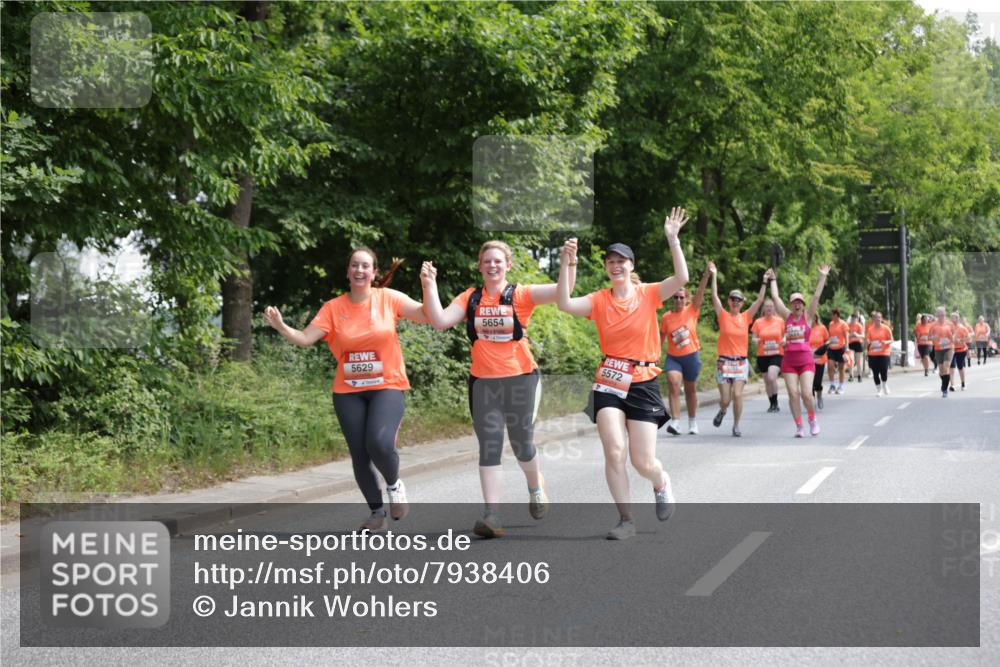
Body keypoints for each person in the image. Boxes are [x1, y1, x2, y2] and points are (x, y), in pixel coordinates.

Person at [264, 248, 426, 531]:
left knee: (379, 442)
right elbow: (304, 338)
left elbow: (427, 314)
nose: (360, 270)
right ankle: (377, 513)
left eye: (365, 266)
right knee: (360, 453)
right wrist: (281, 326)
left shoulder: (389, 299)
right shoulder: (333, 308)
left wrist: (428, 284)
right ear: (348, 271)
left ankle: (394, 484)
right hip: (348, 391)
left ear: (374, 273)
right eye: (355, 265)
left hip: (387, 385)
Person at [557, 207, 689, 540]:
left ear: (631, 266)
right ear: (607, 267)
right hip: (609, 381)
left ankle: (660, 482)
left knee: (643, 461)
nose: (616, 266)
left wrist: (673, 240)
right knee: (614, 451)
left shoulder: (649, 294)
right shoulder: (599, 299)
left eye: (622, 261)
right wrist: (565, 264)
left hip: (643, 382)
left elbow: (682, 279)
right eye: (611, 261)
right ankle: (626, 519)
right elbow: (564, 304)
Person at [419, 241, 557, 539]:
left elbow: (561, 292)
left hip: (521, 378)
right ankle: (492, 514)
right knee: (490, 446)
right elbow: (440, 321)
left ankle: (535, 486)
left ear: (508, 265)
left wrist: (568, 264)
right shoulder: (470, 297)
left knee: (522, 444)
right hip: (483, 382)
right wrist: (429, 285)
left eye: (498, 261)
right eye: (487, 262)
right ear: (480, 266)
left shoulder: (520, 294)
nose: (492, 266)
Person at [708, 263, 770, 437]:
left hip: (740, 362)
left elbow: (759, 301)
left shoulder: (746, 317)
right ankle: (722, 410)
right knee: (725, 399)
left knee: (737, 395)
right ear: (729, 301)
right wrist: (714, 274)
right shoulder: (723, 315)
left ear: (742, 303)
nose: (735, 302)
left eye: (739, 300)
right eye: (733, 299)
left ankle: (736, 425)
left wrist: (764, 281)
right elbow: (713, 295)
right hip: (724, 362)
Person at [769, 265, 831, 437]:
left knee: (806, 394)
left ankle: (812, 419)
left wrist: (823, 277)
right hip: (789, 362)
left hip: (805, 361)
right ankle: (799, 426)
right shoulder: (786, 315)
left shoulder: (808, 317)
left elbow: (817, 296)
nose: (797, 305)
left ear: (803, 305)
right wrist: (772, 280)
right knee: (792, 394)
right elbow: (775, 298)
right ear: (791, 305)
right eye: (794, 302)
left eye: (799, 302)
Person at [660, 266, 710, 435]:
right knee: (673, 384)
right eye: (676, 297)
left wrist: (706, 275)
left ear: (686, 299)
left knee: (690, 389)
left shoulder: (691, 311)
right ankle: (675, 422)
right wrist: (655, 355)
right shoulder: (666, 317)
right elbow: (661, 337)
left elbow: (700, 293)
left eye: (682, 297)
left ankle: (692, 421)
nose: (679, 300)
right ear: (672, 299)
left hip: (691, 356)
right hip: (674, 358)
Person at [751, 299, 786, 413]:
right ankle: (771, 404)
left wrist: (785, 339)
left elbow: (786, 333)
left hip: (776, 353)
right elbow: (753, 337)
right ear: (764, 309)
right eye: (767, 306)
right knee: (767, 381)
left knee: (772, 377)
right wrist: (756, 340)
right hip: (762, 354)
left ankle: (776, 403)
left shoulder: (780, 321)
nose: (769, 308)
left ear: (774, 308)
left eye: (771, 306)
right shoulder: (758, 322)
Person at [929, 307, 956, 398]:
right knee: (941, 370)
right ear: (937, 315)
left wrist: (952, 337)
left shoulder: (950, 324)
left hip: (949, 347)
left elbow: (954, 334)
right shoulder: (933, 325)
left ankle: (944, 389)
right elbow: (929, 337)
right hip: (938, 348)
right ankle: (944, 382)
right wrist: (933, 338)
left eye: (943, 314)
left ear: (945, 314)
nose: (941, 316)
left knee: (946, 366)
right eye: (940, 314)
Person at [865, 311, 893, 396]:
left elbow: (891, 339)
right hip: (873, 353)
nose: (877, 319)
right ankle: (879, 389)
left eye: (879, 317)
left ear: (881, 318)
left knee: (884, 370)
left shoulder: (886, 328)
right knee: (875, 372)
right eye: (876, 317)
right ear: (873, 319)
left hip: (884, 352)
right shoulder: (870, 329)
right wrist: (868, 342)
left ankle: (884, 384)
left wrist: (885, 342)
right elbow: (867, 340)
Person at [826, 308, 849, 394]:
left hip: (841, 348)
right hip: (831, 348)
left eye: (831, 315)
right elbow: (830, 335)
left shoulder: (843, 324)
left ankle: (841, 386)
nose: (830, 316)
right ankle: (832, 385)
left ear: (836, 315)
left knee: (841, 368)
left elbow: (846, 337)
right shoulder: (831, 324)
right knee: (830, 365)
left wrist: (847, 349)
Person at [810, 313, 830, 409]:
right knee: (809, 383)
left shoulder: (822, 328)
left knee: (817, 382)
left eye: (812, 316)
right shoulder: (804, 328)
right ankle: (812, 401)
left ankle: (819, 396)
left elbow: (827, 340)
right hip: (807, 360)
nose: (811, 318)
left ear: (816, 317)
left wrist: (822, 348)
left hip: (820, 359)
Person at [950, 312, 971, 391]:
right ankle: (952, 385)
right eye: (951, 318)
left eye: (954, 318)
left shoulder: (962, 328)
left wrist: (961, 340)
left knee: (960, 367)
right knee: (951, 367)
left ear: (957, 319)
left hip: (961, 350)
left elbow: (968, 338)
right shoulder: (949, 327)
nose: (952, 319)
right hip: (951, 350)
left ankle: (963, 383)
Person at [847, 313, 865, 382]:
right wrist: (851, 335)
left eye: (855, 318)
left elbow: (863, 336)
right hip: (850, 343)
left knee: (858, 361)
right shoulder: (848, 325)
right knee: (851, 360)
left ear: (857, 319)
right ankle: (851, 375)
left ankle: (859, 375)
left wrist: (857, 335)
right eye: (852, 318)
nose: (853, 320)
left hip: (858, 343)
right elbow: (845, 335)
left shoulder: (859, 326)